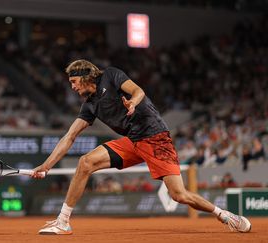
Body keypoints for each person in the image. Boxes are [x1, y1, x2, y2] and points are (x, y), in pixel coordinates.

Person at [32, 59, 251, 234]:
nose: (71, 86)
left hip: (155, 137)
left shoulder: (111, 75)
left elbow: (138, 90)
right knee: (85, 162)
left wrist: (133, 103)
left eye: (73, 82)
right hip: (132, 141)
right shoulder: (89, 105)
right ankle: (63, 221)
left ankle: (224, 215)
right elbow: (69, 136)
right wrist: (46, 165)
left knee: (179, 195)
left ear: (85, 77)